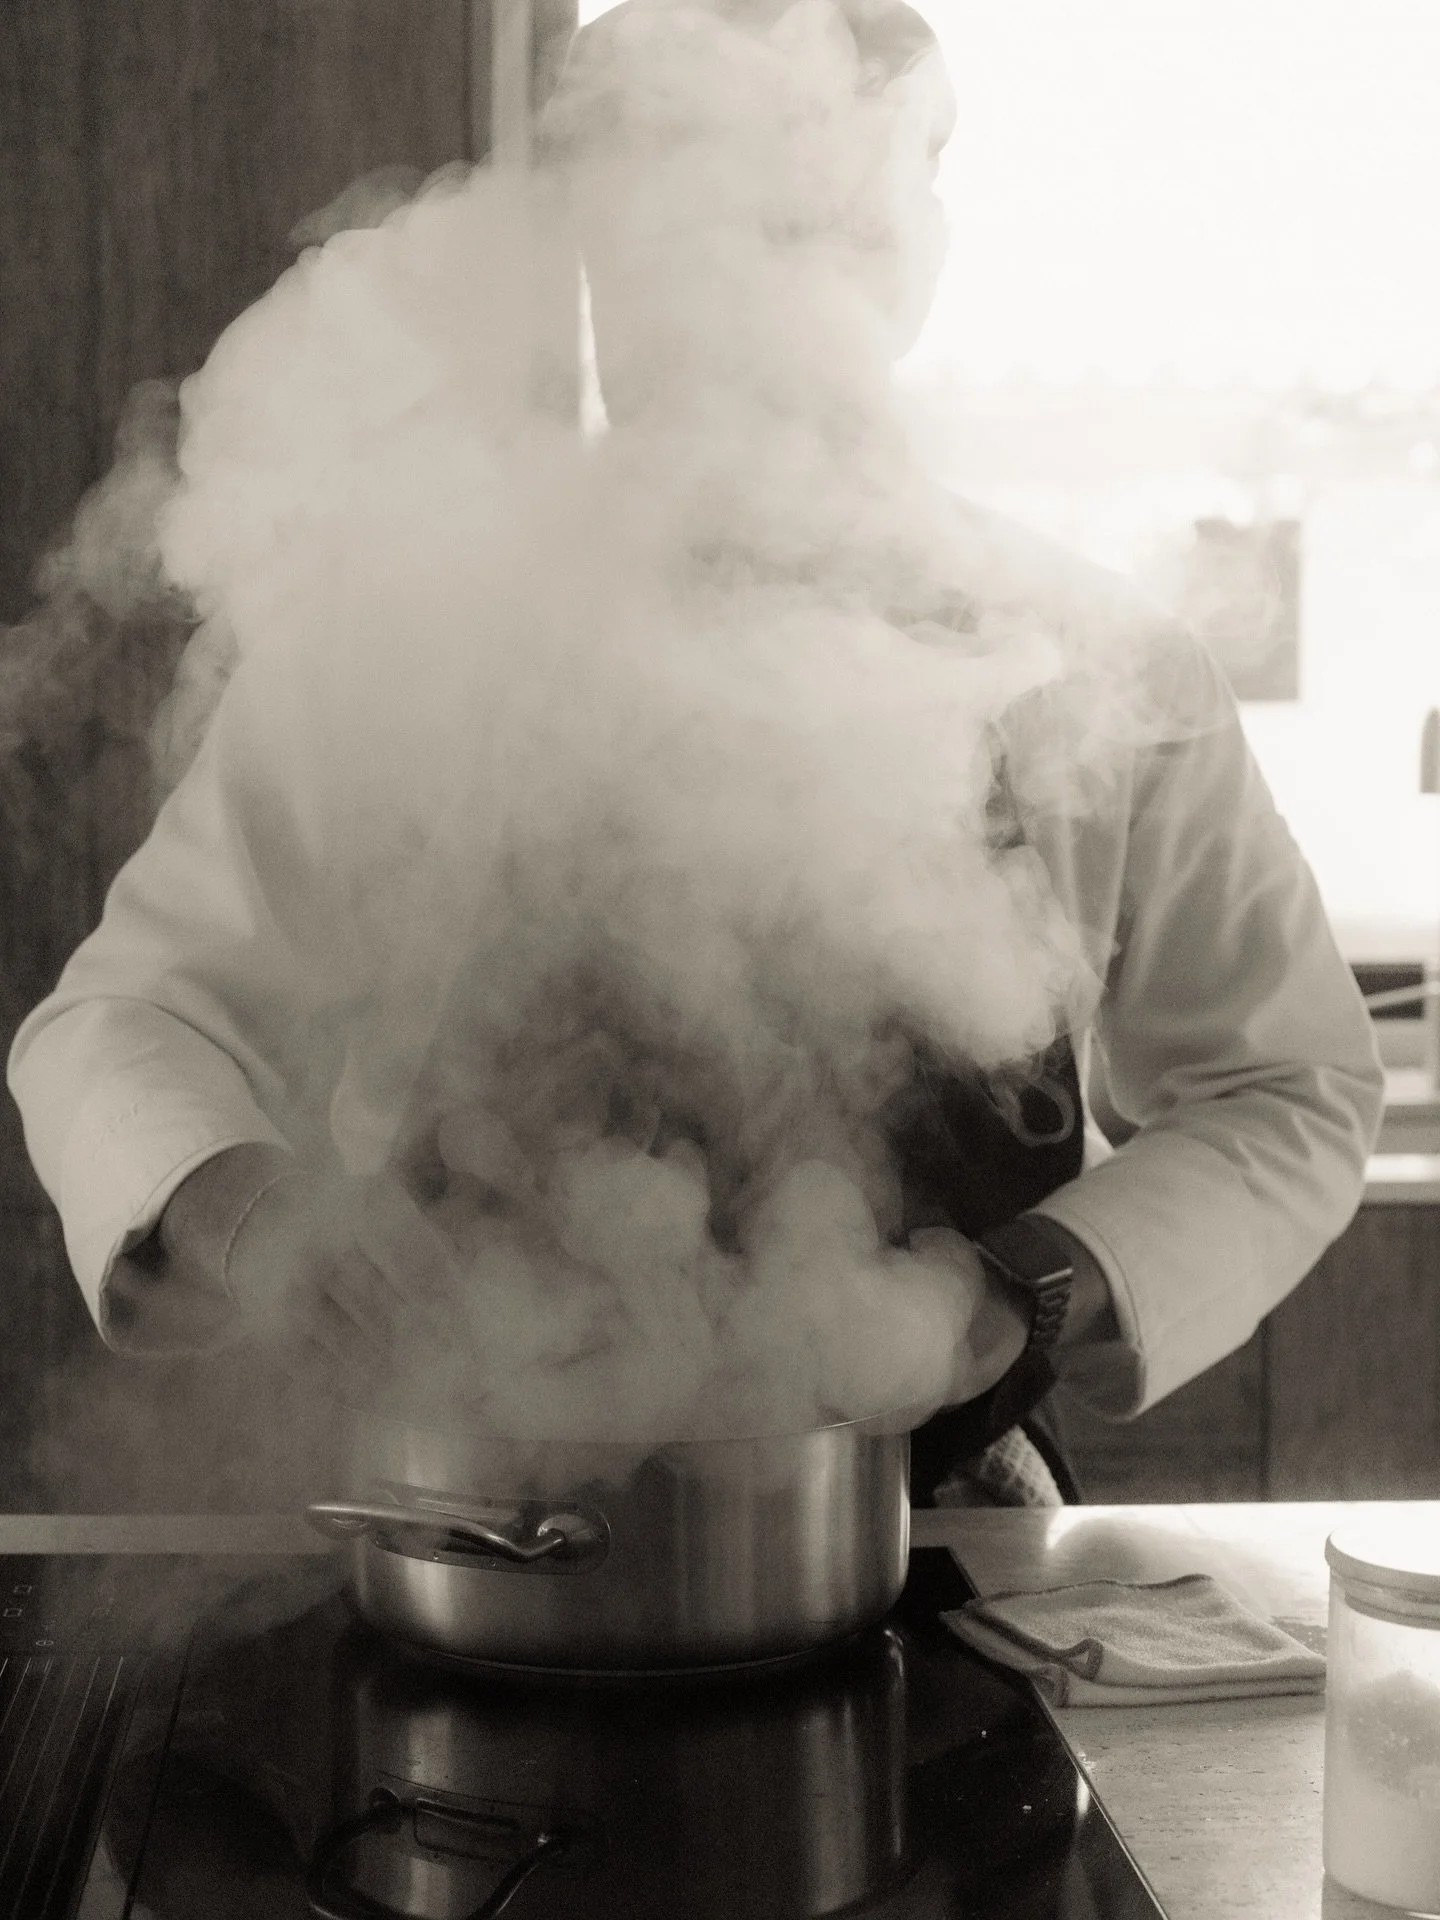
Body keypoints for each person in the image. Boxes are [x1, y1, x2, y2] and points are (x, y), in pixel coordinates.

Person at [7, 0, 1383, 1505]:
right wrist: (251, 1212)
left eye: (804, 230)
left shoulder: (1099, 668)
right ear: (593, 258)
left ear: (908, 251)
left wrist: (1019, 1291)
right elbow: (126, 1020)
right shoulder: (398, 639)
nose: (733, 300)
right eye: (678, 234)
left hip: (938, 1521)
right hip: (469, 1502)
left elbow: (1287, 1085)